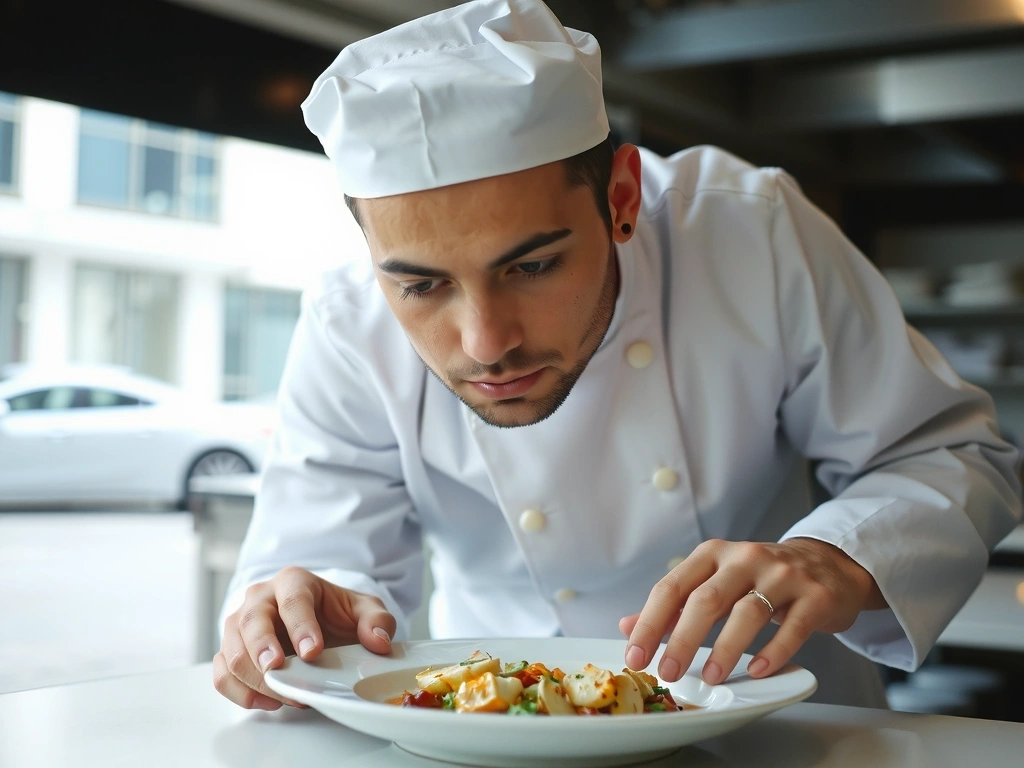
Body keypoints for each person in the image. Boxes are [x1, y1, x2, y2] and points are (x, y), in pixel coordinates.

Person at [212, 0, 1022, 712]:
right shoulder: (348, 323)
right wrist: (295, 617)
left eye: (533, 266)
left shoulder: (751, 233)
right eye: (421, 285)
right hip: (495, 729)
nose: (486, 343)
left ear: (622, 199)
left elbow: (950, 453)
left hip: (779, 731)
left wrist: (834, 555)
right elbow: (318, 561)